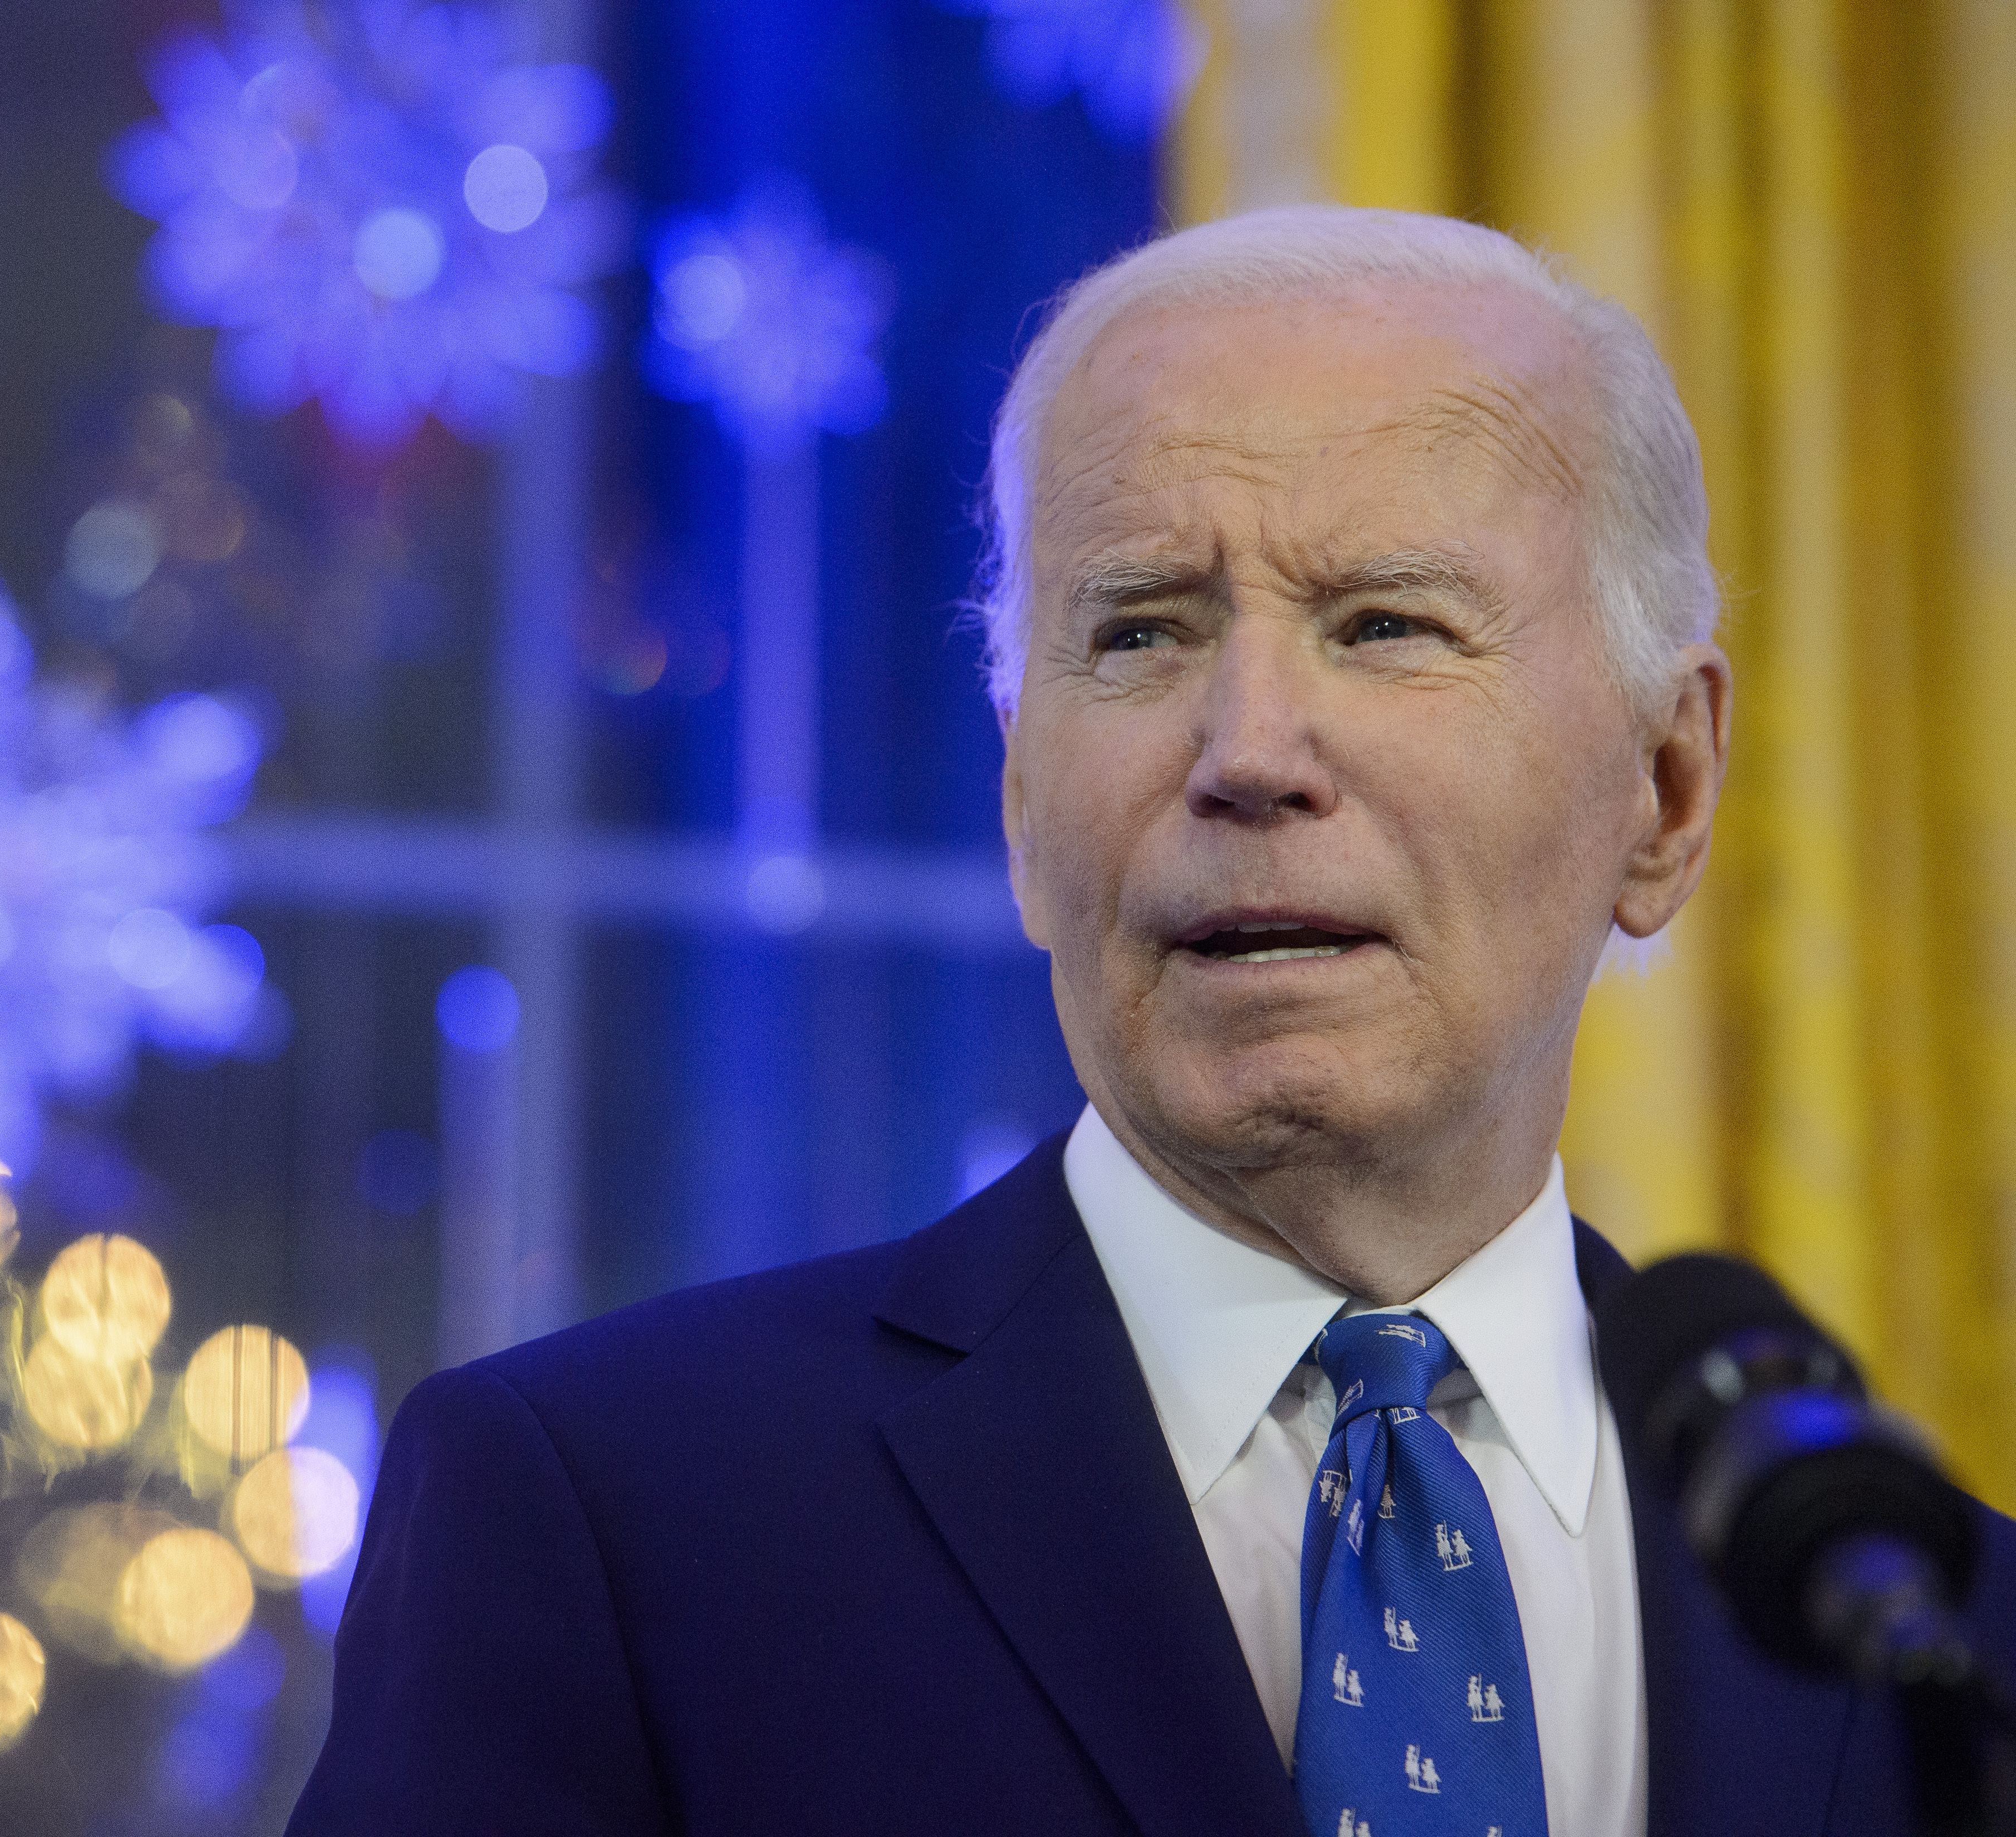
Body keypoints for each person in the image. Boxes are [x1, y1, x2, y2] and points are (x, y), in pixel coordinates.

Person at [284, 206, 2016, 1836]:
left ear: (1667, 786)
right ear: (1025, 798)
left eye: (1388, 624)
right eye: (1140, 634)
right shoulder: (608, 1521)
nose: (1249, 751)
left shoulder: (1942, 1635)